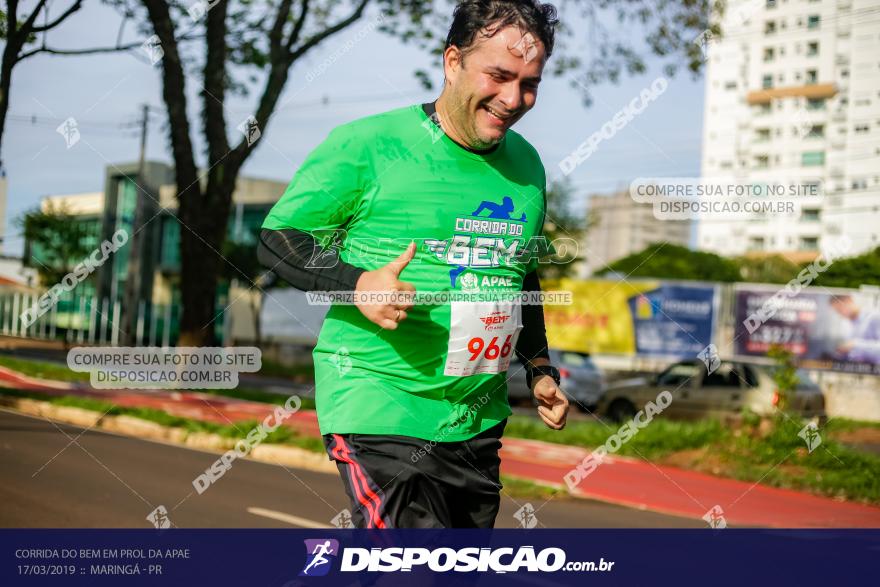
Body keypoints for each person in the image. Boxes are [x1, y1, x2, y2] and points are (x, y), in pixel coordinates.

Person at [258, 0, 569, 528]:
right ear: (452, 63)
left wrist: (538, 368)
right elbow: (277, 240)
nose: (513, 99)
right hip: (379, 403)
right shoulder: (369, 145)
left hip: (475, 420)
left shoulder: (527, 166)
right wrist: (357, 283)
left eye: (530, 83)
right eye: (499, 76)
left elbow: (520, 274)